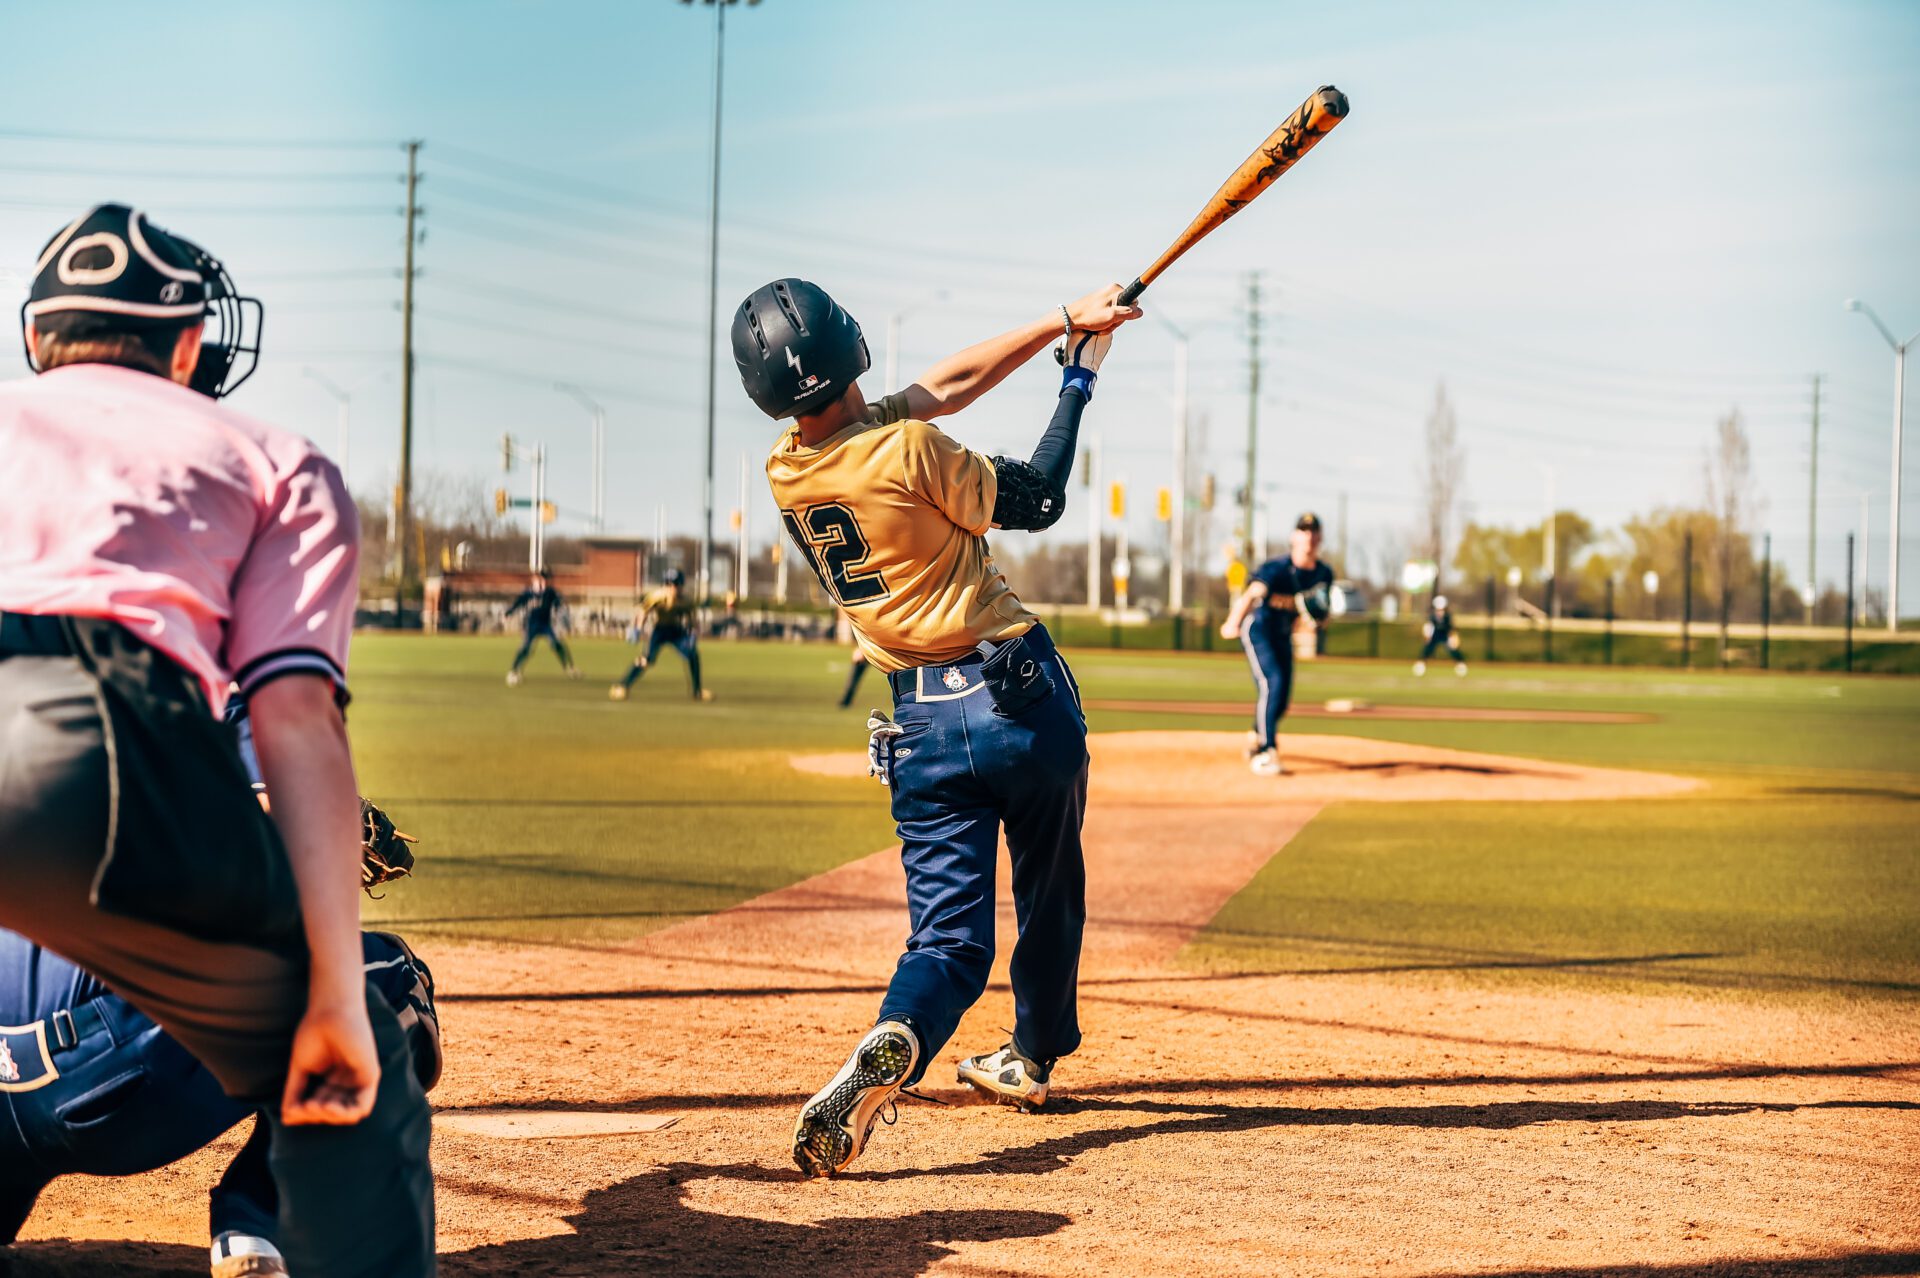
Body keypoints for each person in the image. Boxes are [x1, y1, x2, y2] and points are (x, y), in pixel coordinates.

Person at [0, 203, 435, 1276]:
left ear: (33, 343)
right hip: (118, 1034)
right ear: (190, 344)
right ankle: (265, 1225)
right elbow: (293, 723)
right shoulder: (270, 460)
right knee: (377, 1005)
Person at [733, 276, 1139, 1177]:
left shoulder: (788, 472)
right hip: (1017, 696)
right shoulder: (908, 451)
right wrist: (1078, 377)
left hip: (919, 724)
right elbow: (1035, 499)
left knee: (949, 940)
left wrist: (1060, 322)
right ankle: (1031, 1056)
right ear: (850, 347)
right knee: (1048, 890)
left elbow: (943, 384)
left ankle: (900, 1033)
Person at [1219, 513, 1335, 776]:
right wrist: (1232, 622)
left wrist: (1319, 621)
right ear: (1294, 537)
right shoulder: (1277, 569)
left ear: (1320, 538)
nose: (1309, 536)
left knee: (1282, 699)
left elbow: (1321, 614)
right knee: (1273, 682)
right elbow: (1253, 593)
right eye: (1303, 530)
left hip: (1283, 635)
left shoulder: (1323, 574)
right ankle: (1266, 751)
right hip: (1258, 630)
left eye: (1313, 531)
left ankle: (1256, 735)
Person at [610, 567, 713, 701]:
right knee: (646, 660)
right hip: (659, 631)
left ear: (681, 586)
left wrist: (693, 635)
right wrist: (637, 629)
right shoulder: (657, 596)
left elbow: (692, 620)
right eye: (668, 584)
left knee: (693, 655)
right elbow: (643, 612)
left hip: (676, 631)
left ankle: (697, 692)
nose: (672, 588)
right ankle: (623, 686)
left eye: (675, 584)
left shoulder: (686, 601)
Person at [505, 569, 579, 685]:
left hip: (546, 624)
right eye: (538, 579)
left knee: (557, 644)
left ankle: (569, 668)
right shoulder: (528, 593)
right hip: (532, 625)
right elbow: (518, 603)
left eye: (543, 579)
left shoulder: (550, 593)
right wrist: (509, 612)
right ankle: (514, 671)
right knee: (526, 648)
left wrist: (563, 615)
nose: (541, 581)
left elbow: (559, 604)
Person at [1415, 593, 1468, 676]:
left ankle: (1460, 664)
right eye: (1438, 609)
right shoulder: (1432, 617)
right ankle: (1421, 664)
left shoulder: (1448, 616)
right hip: (1435, 635)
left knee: (1453, 650)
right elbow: (1429, 626)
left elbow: (1451, 628)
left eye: (1441, 609)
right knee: (1428, 649)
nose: (1440, 611)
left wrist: (1453, 637)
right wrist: (1428, 636)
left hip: (1445, 635)